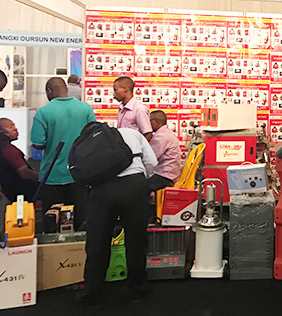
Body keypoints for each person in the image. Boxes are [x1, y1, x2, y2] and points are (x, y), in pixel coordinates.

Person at [76, 128, 158, 307]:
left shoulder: (90, 140)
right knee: (136, 240)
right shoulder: (133, 134)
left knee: (97, 241)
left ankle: (92, 293)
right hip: (133, 186)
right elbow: (152, 162)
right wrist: (142, 179)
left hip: (101, 189)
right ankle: (137, 289)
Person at [31, 77, 96, 229]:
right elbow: (94, 136)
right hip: (80, 174)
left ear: (48, 91)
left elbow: (38, 144)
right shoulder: (85, 108)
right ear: (66, 89)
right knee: (81, 220)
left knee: (52, 221)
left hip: (52, 175)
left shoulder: (43, 113)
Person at [0, 118, 39, 201]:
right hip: (23, 192)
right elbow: (25, 173)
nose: (15, 129)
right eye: (10, 127)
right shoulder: (9, 150)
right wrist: (43, 179)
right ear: (1, 132)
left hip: (9, 191)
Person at [148, 110, 181, 192]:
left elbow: (150, 157)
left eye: (149, 121)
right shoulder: (166, 133)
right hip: (168, 175)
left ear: (156, 122)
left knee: (137, 185)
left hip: (165, 178)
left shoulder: (162, 136)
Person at [113, 76, 153, 142]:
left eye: (115, 90)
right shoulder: (121, 108)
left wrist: (137, 146)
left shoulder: (139, 109)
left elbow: (148, 134)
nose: (114, 94)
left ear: (125, 89)